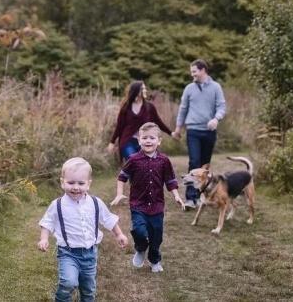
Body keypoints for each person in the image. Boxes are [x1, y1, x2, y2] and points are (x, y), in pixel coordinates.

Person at [38, 157, 128, 302]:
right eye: (71, 182)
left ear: (88, 184)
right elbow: (47, 222)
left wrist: (119, 234)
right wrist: (44, 238)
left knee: (88, 290)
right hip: (68, 253)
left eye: (81, 183)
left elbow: (108, 219)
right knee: (69, 282)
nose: (76, 187)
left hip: (90, 254)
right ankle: (61, 299)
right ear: (62, 182)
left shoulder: (95, 203)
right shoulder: (58, 205)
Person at [110, 122, 184, 273]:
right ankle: (141, 249)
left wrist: (176, 195)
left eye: (152, 138)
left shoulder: (164, 161)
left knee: (156, 238)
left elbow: (170, 180)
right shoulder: (133, 159)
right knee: (139, 230)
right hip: (138, 204)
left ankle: (154, 260)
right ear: (139, 140)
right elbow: (122, 177)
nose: (148, 141)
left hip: (157, 206)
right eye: (144, 138)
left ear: (159, 140)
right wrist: (119, 194)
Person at [172, 59, 226, 209]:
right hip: (193, 130)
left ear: (203, 70)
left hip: (209, 131)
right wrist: (178, 129)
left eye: (194, 71)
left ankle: (203, 195)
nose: (192, 74)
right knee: (194, 162)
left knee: (204, 167)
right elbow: (183, 109)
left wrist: (216, 118)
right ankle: (190, 198)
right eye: (191, 72)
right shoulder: (189, 88)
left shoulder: (216, 87)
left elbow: (221, 107)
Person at [108, 81, 173, 163]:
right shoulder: (126, 107)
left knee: (146, 165)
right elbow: (119, 126)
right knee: (134, 161)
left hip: (145, 141)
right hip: (128, 141)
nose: (145, 90)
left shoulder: (149, 107)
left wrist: (171, 133)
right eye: (143, 89)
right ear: (136, 91)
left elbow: (158, 122)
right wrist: (112, 142)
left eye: (145, 88)